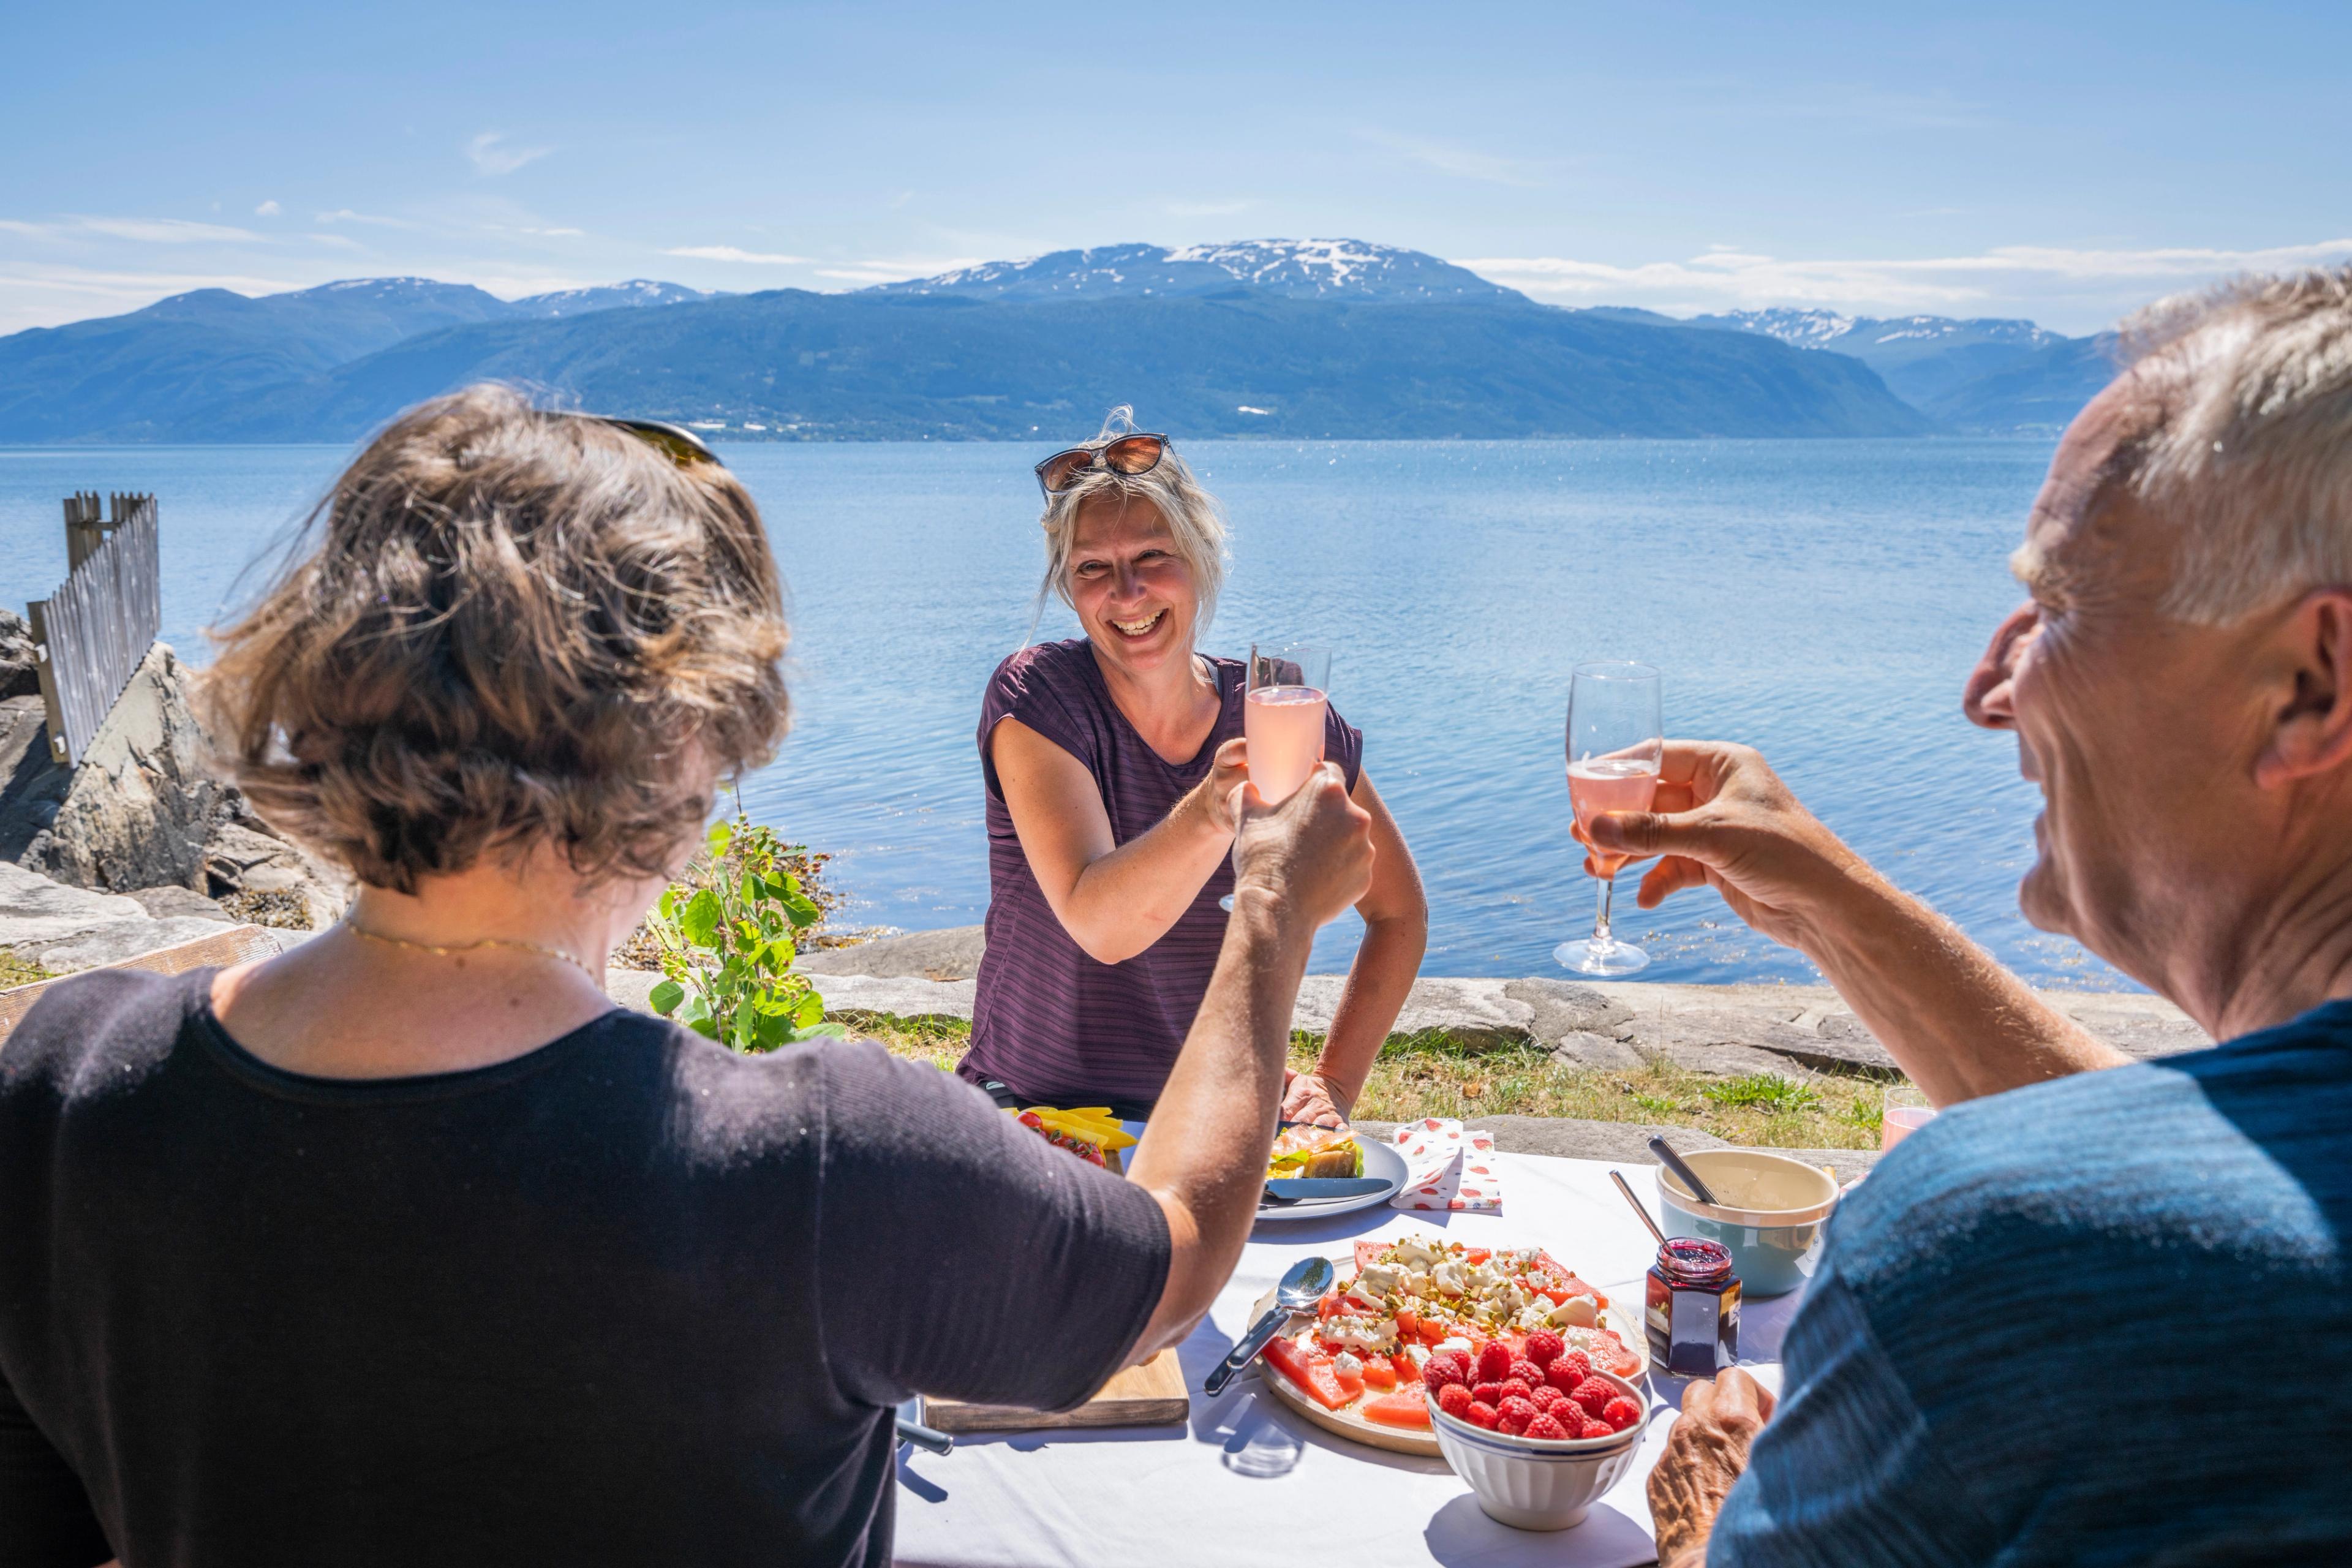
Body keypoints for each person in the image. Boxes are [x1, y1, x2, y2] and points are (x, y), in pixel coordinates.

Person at [0, 388, 1377, 1568]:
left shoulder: (65, 1082)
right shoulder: (818, 1156)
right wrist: (1267, 909)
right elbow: (1174, 1265)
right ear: (690, 737)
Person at [1626, 268, 2352, 1565]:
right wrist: (1835, 906)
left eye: (2063, 602)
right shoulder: (2217, 1205)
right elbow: (2223, 1189)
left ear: (2312, 683)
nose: (1988, 685)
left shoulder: (1993, 1255)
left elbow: (2099, 1229)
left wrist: (1713, 1516)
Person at [960, 409, 1427, 1126]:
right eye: (1093, 568)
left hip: (1218, 1123)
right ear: (1067, 586)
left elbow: (1397, 912)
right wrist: (1213, 810)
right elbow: (1102, 925)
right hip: (1037, 1117)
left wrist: (1334, 1081)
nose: (1127, 592)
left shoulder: (1279, 709)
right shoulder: (1038, 696)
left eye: (1152, 556)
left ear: (1200, 556)